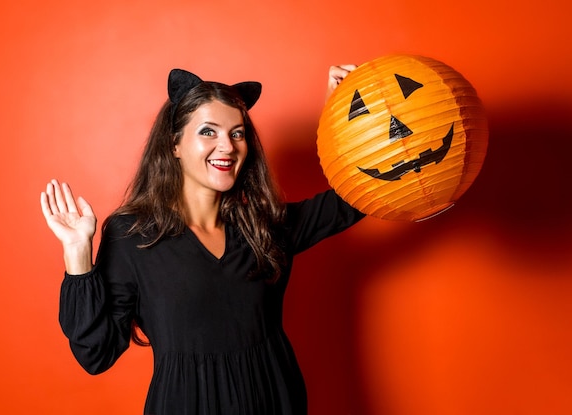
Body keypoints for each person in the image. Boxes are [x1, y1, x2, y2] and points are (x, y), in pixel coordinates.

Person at [40, 65, 364, 415]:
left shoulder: (263, 224)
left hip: (275, 401)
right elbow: (95, 354)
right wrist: (77, 252)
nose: (227, 146)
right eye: (208, 131)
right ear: (175, 144)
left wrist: (341, 115)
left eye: (237, 133)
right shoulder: (133, 235)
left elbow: (358, 196)